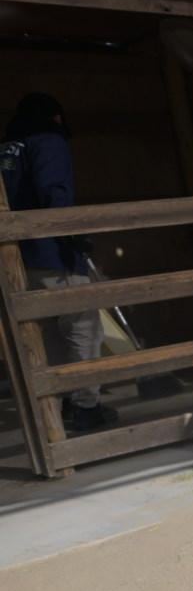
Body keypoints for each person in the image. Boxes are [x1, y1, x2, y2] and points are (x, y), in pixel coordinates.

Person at [2, 92, 116, 431]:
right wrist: (72, 234)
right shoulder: (48, 141)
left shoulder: (7, 148)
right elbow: (56, 191)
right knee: (82, 328)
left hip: (18, 261)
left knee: (49, 332)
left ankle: (64, 400)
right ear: (55, 117)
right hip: (53, 254)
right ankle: (85, 407)